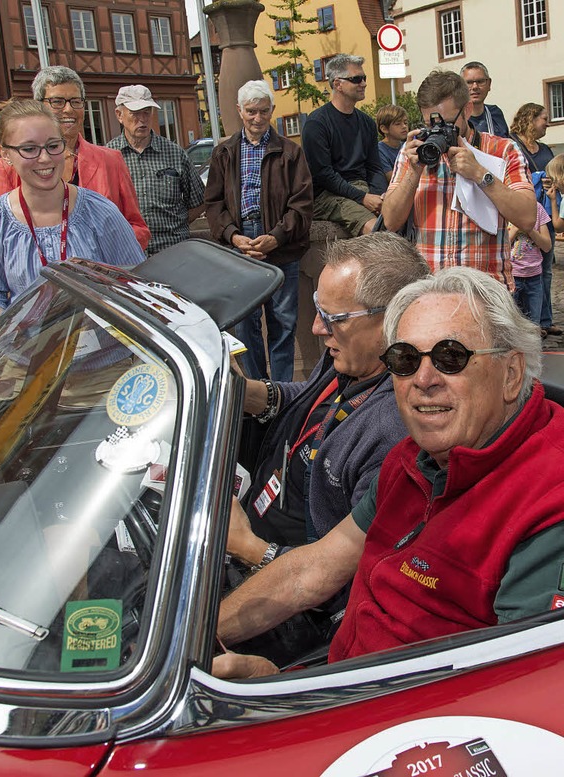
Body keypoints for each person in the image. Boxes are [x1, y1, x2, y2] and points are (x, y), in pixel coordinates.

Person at [214, 265, 564, 680]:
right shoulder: (412, 457)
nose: (423, 379)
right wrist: (196, 638)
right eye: (405, 358)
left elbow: (516, 693)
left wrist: (288, 698)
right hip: (339, 682)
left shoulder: (549, 500)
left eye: (451, 357)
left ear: (510, 374)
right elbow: (315, 569)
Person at [229, 232, 429, 567]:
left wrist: (248, 549)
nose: (317, 328)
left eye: (333, 318)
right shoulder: (353, 356)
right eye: (319, 308)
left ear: (393, 318)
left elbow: (345, 577)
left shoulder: (396, 431)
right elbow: (312, 402)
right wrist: (248, 393)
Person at [0, 100, 145, 328]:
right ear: (5, 154)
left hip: (103, 359)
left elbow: (135, 284)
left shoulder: (100, 212)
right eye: (29, 149)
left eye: (53, 146)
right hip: (27, 357)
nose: (44, 158)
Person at [382, 69, 535, 287]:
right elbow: (390, 221)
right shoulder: (414, 152)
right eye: (429, 124)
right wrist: (413, 173)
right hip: (428, 290)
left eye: (445, 124)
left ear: (468, 110)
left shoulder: (502, 150)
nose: (437, 131)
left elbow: (528, 218)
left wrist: (481, 175)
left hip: (485, 293)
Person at [205, 79, 313, 382]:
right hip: (239, 244)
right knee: (245, 325)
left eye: (263, 112)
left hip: (280, 243)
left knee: (283, 323)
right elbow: (213, 203)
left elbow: (302, 205)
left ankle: (279, 392)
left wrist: (275, 237)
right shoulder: (224, 152)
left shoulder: (290, 153)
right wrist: (232, 236)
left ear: (272, 111)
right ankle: (255, 391)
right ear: (240, 111)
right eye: (251, 111)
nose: (257, 118)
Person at [0, 66, 150, 252]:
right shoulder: (12, 164)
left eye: (76, 101)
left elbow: (138, 228)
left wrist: (106, 252)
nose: (68, 109)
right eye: (57, 102)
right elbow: (1, 233)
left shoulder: (110, 160)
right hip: (40, 275)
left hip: (101, 275)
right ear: (39, 106)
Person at [107, 85, 205, 257]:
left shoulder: (174, 153)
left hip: (173, 250)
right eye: (135, 113)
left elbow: (199, 201)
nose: (142, 119)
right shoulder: (108, 156)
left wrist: (176, 224)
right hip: (129, 252)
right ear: (119, 115)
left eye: (147, 112)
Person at [301, 54, 387, 237]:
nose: (363, 83)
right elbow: (323, 174)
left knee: (400, 217)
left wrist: (380, 196)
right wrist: (363, 198)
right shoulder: (317, 123)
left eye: (364, 78)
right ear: (337, 84)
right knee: (377, 231)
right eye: (356, 79)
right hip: (327, 195)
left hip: (362, 189)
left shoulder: (366, 122)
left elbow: (374, 167)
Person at [510, 103, 560, 338]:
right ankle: (522, 324)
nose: (547, 123)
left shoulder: (544, 149)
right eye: (543, 118)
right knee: (519, 272)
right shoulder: (513, 144)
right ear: (530, 119)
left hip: (544, 212)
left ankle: (543, 319)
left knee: (545, 270)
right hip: (521, 210)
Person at [508, 202, 551, 327]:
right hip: (512, 276)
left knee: (533, 324)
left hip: (534, 278)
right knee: (511, 325)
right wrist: (516, 229)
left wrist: (530, 229)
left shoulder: (537, 208)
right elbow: (500, 246)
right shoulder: (505, 207)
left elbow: (547, 246)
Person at [459, 61, 509, 137]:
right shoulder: (456, 118)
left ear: (489, 84)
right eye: (469, 82)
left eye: (480, 81)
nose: (475, 87)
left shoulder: (495, 114)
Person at [376, 104, 408, 182]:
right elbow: (392, 178)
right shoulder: (379, 150)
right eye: (398, 124)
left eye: (406, 122)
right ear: (384, 129)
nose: (404, 126)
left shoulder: (406, 146)